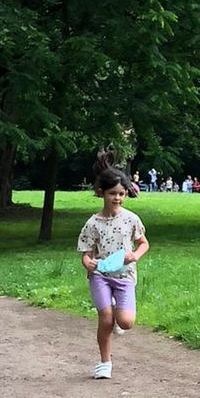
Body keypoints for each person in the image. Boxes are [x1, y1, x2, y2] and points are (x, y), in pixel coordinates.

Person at [77, 156, 149, 380]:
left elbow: (143, 243)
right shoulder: (93, 223)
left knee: (126, 323)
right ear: (102, 193)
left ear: (126, 194)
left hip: (125, 276)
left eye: (121, 194)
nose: (117, 198)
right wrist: (88, 263)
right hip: (100, 274)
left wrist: (135, 256)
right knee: (106, 318)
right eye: (112, 193)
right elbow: (86, 252)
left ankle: (119, 308)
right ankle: (104, 362)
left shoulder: (131, 219)